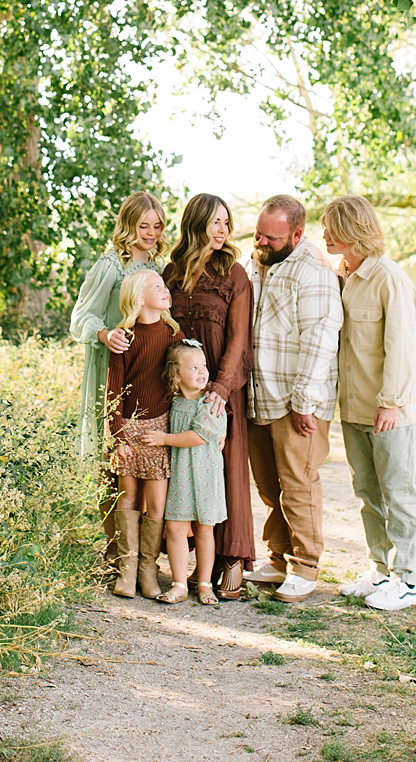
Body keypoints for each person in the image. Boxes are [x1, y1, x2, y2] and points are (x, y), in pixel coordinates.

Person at [322, 194, 416, 612]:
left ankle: (407, 582)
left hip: (390, 410)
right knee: (367, 493)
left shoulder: (390, 279)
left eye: (330, 228)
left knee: (397, 492)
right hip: (354, 407)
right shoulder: (341, 274)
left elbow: (399, 348)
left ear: (351, 230)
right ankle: (379, 571)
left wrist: (390, 402)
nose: (324, 235)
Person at [244, 194, 343, 603]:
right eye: (258, 234)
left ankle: (305, 566)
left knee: (298, 483)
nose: (261, 243)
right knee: (270, 487)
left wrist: (305, 399)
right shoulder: (260, 262)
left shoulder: (313, 270)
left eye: (271, 237)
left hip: (296, 398)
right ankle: (280, 558)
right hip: (261, 394)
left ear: (297, 234)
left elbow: (321, 336)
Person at [164, 193, 255, 598]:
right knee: (180, 472)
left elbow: (238, 339)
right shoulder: (171, 272)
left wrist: (219, 388)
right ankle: (180, 565)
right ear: (196, 223)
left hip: (221, 389)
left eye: (226, 223)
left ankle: (232, 559)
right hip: (178, 391)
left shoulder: (233, 274)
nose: (223, 230)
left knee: (227, 472)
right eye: (215, 222)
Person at [70, 192, 168, 461]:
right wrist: (104, 334)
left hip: (146, 368)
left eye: (157, 226)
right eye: (143, 225)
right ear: (129, 225)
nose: (151, 233)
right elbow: (81, 316)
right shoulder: (110, 265)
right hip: (113, 365)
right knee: (113, 451)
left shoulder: (159, 268)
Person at [106, 268, 183, 599]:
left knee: (156, 502)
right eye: (157, 287)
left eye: (165, 286)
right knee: (128, 496)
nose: (166, 290)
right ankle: (127, 568)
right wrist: (118, 435)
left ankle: (149, 570)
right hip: (128, 428)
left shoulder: (173, 336)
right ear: (139, 297)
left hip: (160, 429)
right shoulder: (126, 338)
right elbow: (114, 390)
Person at [146, 340, 227, 606]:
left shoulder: (211, 403)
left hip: (206, 475)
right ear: (175, 375)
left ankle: (204, 583)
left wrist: (164, 439)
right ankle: (179, 583)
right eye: (193, 367)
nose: (202, 372)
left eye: (203, 366)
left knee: (204, 530)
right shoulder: (173, 403)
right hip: (179, 475)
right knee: (176, 528)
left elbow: (199, 436)